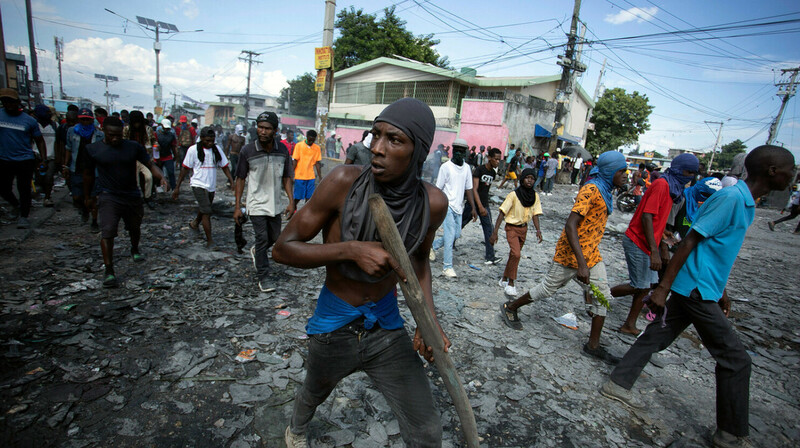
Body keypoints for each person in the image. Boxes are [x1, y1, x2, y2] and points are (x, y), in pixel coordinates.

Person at [272, 98, 449, 448]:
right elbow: (282, 249)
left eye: (394, 140)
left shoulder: (432, 203)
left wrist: (430, 324)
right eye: (376, 136)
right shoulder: (343, 182)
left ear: (419, 152)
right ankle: (296, 429)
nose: (378, 149)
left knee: (427, 429)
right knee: (314, 390)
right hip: (333, 324)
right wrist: (349, 250)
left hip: (385, 325)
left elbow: (419, 263)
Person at [602, 145, 795, 448]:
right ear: (772, 170)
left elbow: (716, 250)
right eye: (790, 169)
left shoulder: (744, 202)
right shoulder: (731, 198)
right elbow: (690, 240)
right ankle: (729, 435)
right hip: (695, 288)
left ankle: (617, 383)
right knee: (736, 359)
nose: (793, 176)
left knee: (656, 336)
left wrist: (723, 291)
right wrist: (663, 288)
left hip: (702, 286)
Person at [500, 151, 629, 364]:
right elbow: (571, 225)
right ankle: (510, 307)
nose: (625, 175)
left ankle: (593, 346)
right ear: (609, 171)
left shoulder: (605, 191)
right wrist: (581, 264)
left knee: (602, 295)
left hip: (591, 254)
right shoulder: (591, 190)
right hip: (572, 254)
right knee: (548, 288)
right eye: (621, 171)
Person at [611, 153, 699, 336]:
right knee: (639, 285)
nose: (690, 176)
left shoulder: (673, 190)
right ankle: (598, 295)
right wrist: (655, 251)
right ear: (678, 169)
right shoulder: (662, 185)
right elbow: (646, 216)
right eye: (688, 172)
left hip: (647, 242)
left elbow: (655, 218)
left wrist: (664, 236)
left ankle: (630, 323)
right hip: (638, 240)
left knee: (647, 285)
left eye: (693, 173)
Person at [82, 117, 168, 287]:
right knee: (108, 232)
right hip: (108, 195)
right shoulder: (93, 149)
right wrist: (88, 197)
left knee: (134, 227)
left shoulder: (133, 147)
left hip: (131, 194)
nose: (115, 139)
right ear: (103, 131)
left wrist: (161, 177)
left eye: (118, 135)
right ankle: (109, 270)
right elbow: (88, 175)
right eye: (111, 135)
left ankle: (134, 248)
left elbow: (149, 164)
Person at [233, 112, 295, 292]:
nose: (263, 131)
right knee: (262, 238)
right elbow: (240, 179)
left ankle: (257, 252)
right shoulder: (248, 151)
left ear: (275, 131)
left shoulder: (282, 150)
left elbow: (286, 177)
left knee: (274, 238)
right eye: (260, 127)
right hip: (256, 203)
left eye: (267, 128)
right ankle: (264, 276)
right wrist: (238, 206)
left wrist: (291, 202)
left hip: (275, 203)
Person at [172, 127, 234, 248]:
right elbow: (185, 169)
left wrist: (231, 181)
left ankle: (194, 223)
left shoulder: (217, 150)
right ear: (201, 139)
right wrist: (177, 187)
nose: (210, 143)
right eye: (207, 141)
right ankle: (210, 240)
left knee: (205, 207)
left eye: (212, 141)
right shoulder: (193, 150)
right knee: (207, 211)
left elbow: (225, 166)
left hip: (210, 185)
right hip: (198, 184)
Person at [490, 168, 543, 296]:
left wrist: (538, 230)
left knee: (514, 255)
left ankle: (504, 278)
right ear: (522, 179)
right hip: (512, 228)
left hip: (523, 229)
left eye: (532, 178)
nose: (530, 181)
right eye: (527, 178)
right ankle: (511, 283)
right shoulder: (513, 195)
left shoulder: (534, 196)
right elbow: (502, 212)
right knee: (517, 254)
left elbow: (535, 214)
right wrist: (495, 232)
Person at [430, 139, 478, 278]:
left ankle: (433, 245)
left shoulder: (467, 168)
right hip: (447, 206)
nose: (458, 153)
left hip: (459, 207)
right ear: (452, 151)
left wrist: (473, 207)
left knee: (456, 234)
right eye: (456, 150)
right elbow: (438, 189)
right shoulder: (446, 167)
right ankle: (447, 267)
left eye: (461, 151)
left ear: (465, 153)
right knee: (450, 236)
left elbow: (469, 188)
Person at [0, 89, 47, 228]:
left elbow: (39, 140)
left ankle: (24, 216)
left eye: (11, 101)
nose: (8, 104)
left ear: (18, 103)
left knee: (24, 188)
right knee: (3, 188)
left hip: (24, 159)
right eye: (5, 101)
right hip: (4, 159)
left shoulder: (29, 121)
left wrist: (43, 158)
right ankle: (16, 205)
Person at [65, 108, 105, 231]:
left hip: (94, 171)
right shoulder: (72, 132)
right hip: (76, 169)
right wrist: (65, 165)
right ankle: (84, 209)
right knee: (77, 197)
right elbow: (68, 148)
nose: (85, 122)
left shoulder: (99, 134)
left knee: (93, 198)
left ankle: (94, 221)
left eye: (88, 120)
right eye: (83, 120)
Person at [461, 147, 502, 265]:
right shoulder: (479, 170)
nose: (498, 162)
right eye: (496, 159)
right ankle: (446, 244)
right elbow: (474, 190)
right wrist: (479, 206)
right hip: (473, 205)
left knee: (489, 229)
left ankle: (490, 256)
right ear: (489, 158)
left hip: (484, 205)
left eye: (499, 160)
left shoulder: (493, 173)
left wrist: (484, 206)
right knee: (460, 225)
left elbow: (485, 191)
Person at [667, 177, 722, 241]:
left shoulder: (709, 206)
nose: (706, 199)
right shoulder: (681, 199)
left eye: (710, 197)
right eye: (705, 195)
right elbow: (667, 224)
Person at [123, 111, 157, 209]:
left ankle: (147, 197)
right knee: (135, 180)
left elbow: (154, 140)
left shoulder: (147, 129)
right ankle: (137, 198)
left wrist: (156, 146)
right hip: (131, 159)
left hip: (144, 157)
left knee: (149, 177)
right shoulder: (127, 130)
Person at [32, 105, 58, 208]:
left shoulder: (54, 125)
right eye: (46, 112)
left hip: (51, 157)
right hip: (36, 156)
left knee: (48, 177)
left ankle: (47, 197)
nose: (49, 114)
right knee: (39, 179)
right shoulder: (34, 125)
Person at [292, 129, 321, 208]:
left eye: (313, 140)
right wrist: (291, 173)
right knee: (298, 197)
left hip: (311, 177)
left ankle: (306, 214)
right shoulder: (299, 145)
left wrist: (320, 177)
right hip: (299, 176)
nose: (311, 142)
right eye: (309, 140)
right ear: (307, 137)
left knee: (309, 198)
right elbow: (295, 160)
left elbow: (317, 163)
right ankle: (292, 210)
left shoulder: (317, 148)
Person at [154, 118, 178, 190]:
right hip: (159, 156)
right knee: (158, 173)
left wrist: (176, 156)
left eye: (167, 129)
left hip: (168, 156)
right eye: (165, 128)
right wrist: (156, 157)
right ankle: (158, 187)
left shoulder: (171, 135)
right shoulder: (156, 134)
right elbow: (154, 147)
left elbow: (173, 146)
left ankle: (174, 188)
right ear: (161, 126)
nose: (166, 130)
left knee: (171, 172)